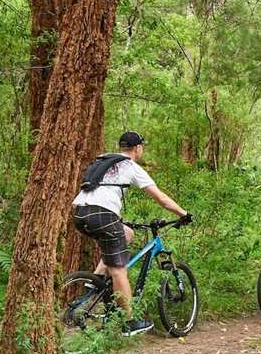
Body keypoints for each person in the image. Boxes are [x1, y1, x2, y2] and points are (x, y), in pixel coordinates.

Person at [71, 131, 191, 336]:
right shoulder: (131, 167)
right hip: (103, 214)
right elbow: (161, 199)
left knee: (126, 234)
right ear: (137, 148)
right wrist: (183, 213)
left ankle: (96, 283)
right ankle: (128, 323)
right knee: (119, 270)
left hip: (80, 212)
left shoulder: (105, 160)